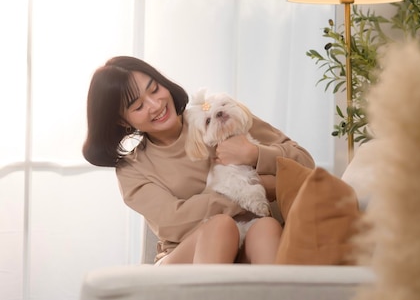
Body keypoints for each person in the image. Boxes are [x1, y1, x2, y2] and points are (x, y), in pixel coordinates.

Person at [82, 56, 315, 264]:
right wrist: (256, 189)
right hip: (183, 257)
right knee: (221, 227)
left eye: (154, 90)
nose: (155, 106)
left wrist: (253, 154)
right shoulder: (132, 169)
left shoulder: (217, 114)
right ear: (123, 122)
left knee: (267, 226)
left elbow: (304, 164)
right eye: (139, 106)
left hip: (246, 241)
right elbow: (173, 222)